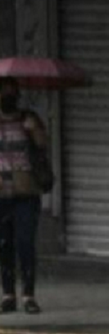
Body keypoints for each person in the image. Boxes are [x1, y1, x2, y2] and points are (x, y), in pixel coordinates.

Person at [0, 77, 47, 314]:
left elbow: (42, 144)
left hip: (25, 193)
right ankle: (8, 294)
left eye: (11, 93)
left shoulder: (28, 119)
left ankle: (29, 294)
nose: (7, 97)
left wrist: (33, 129)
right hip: (1, 194)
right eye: (3, 92)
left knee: (25, 243)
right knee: (4, 244)